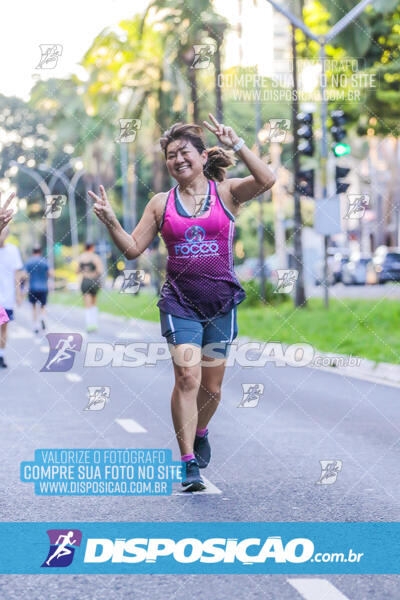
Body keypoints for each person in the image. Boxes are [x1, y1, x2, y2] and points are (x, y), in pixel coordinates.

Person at [89, 114, 275, 491]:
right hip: (179, 304)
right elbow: (132, 249)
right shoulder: (161, 203)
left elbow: (267, 180)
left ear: (203, 155)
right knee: (187, 377)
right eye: (171, 155)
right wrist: (111, 221)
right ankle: (189, 462)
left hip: (221, 302)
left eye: (184, 152)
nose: (177, 160)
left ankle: (201, 430)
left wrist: (238, 142)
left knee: (212, 389)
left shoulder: (227, 194)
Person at [0, 226, 24, 368]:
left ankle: (1, 355)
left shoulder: (12, 250)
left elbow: (17, 275)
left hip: (6, 299)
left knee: (3, 327)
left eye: (3, 233)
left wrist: (19, 295)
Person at [77, 243, 103, 333]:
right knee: (94, 303)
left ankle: (89, 325)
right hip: (94, 281)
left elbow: (77, 271)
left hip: (85, 281)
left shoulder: (81, 257)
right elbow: (100, 271)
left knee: (87, 304)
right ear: (92, 248)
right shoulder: (95, 257)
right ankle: (94, 324)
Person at [25, 245, 51, 334]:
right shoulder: (44, 261)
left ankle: (35, 325)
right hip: (43, 287)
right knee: (43, 306)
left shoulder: (29, 262)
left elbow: (25, 275)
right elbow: (50, 273)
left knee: (34, 307)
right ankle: (42, 318)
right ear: (40, 251)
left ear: (33, 252)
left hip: (32, 288)